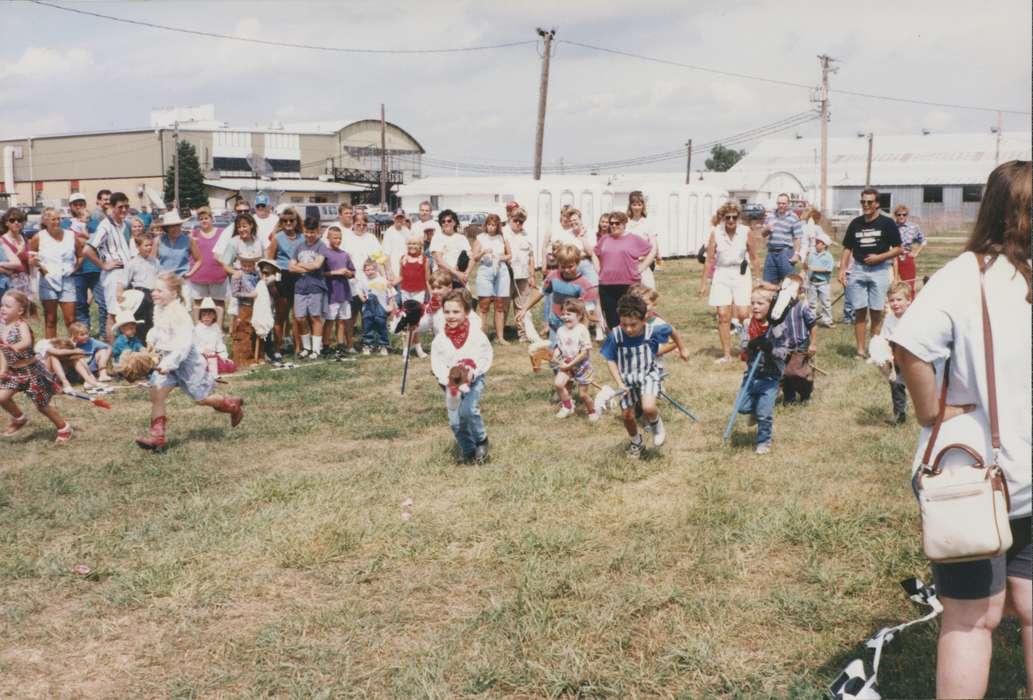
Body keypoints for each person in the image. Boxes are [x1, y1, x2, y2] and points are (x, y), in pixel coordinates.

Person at [893, 160, 1031, 699]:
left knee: (971, 619)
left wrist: (931, 413)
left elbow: (908, 345)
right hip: (1017, 474)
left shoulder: (965, 274)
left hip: (976, 477)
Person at [135, 273, 244, 451]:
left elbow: (183, 347)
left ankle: (232, 405)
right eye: (153, 289)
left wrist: (167, 364)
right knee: (157, 394)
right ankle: (157, 438)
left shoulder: (180, 315)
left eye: (159, 290)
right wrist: (151, 340)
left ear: (174, 294)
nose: (153, 293)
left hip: (188, 363)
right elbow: (159, 329)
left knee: (202, 399)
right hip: (167, 360)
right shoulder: (160, 308)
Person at [600, 294, 671, 459]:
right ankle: (636, 442)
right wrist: (619, 382)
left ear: (644, 319)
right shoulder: (615, 335)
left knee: (648, 407)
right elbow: (610, 360)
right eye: (624, 324)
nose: (629, 329)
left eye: (633, 325)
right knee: (627, 415)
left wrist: (682, 348)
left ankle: (656, 426)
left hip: (648, 374)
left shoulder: (653, 330)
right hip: (627, 380)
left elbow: (671, 330)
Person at [430, 289, 493, 464]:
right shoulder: (440, 340)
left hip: (473, 381)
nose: (451, 316)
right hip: (451, 384)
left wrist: (474, 371)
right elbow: (437, 364)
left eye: (456, 312)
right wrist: (447, 379)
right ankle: (469, 451)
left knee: (468, 410)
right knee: (455, 422)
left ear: (466, 312)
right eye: (447, 312)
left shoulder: (476, 335)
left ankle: (481, 439)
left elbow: (485, 356)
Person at [0, 290, 72, 443]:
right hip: (15, 373)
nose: (3, 308)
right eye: (2, 305)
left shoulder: (21, 324)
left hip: (31, 372)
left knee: (42, 406)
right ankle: (19, 418)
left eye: (7, 306)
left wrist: (15, 347)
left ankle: (64, 427)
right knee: (1, 398)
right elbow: (3, 351)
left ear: (20, 310)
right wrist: (3, 369)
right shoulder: (3, 327)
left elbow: (26, 342)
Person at [839, 187, 902, 359]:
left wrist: (879, 257)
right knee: (859, 311)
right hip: (858, 269)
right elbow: (847, 248)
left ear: (877, 204)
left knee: (876, 312)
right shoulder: (855, 223)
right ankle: (860, 350)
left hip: (879, 270)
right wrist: (842, 269)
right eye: (863, 202)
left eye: (869, 202)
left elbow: (898, 249)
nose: (865, 205)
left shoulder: (887, 223)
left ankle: (875, 350)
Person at [698, 202, 753, 363]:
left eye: (734, 217)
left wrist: (758, 280)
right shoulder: (715, 233)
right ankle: (727, 354)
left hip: (741, 273)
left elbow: (755, 257)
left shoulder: (746, 232)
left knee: (744, 314)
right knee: (723, 315)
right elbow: (709, 260)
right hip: (721, 273)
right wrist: (703, 283)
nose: (730, 220)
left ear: (738, 218)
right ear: (722, 218)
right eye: (727, 217)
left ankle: (748, 347)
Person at [516, 244, 597, 345]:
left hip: (573, 328)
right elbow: (541, 292)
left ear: (577, 263)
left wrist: (583, 332)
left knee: (570, 357)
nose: (566, 270)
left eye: (570, 266)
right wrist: (525, 309)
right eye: (563, 266)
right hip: (555, 325)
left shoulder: (584, 285)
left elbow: (587, 313)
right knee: (554, 357)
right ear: (558, 264)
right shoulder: (553, 276)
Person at [82, 192, 136, 343]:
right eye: (120, 207)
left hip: (125, 273)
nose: (124, 210)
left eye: (126, 206)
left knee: (124, 313)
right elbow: (87, 250)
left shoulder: (124, 225)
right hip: (114, 275)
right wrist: (104, 265)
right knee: (112, 314)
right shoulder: (105, 226)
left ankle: (122, 349)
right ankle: (112, 351)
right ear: (112, 207)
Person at [736, 289, 780, 454]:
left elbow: (785, 352)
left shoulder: (777, 327)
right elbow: (742, 345)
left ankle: (764, 442)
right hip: (751, 374)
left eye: (760, 303)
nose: (755, 307)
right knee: (741, 407)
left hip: (770, 376)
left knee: (764, 414)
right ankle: (754, 411)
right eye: (753, 303)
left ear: (771, 306)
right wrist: (751, 344)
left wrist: (771, 349)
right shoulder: (748, 324)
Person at [595, 211, 654, 331]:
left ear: (624, 224)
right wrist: (598, 269)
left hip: (629, 284)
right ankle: (616, 344)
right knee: (612, 319)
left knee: (630, 316)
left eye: (617, 223)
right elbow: (594, 253)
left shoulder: (633, 239)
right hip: (606, 285)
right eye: (611, 223)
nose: (614, 226)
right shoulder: (604, 239)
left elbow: (651, 250)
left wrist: (641, 268)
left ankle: (631, 342)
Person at [30, 208, 83, 339]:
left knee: (70, 319)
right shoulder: (38, 237)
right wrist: (41, 269)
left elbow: (81, 255)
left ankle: (72, 348)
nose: (57, 221)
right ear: (45, 221)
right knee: (50, 319)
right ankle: (51, 351)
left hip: (67, 281)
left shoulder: (71, 235)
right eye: (53, 219)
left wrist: (74, 269)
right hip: (47, 281)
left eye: (59, 218)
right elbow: (31, 258)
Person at [288, 215, 330, 359]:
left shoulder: (321, 246)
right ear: (303, 230)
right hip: (300, 287)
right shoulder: (298, 246)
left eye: (313, 232)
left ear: (318, 231)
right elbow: (290, 267)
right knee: (299, 318)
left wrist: (299, 265)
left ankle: (316, 349)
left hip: (316, 286)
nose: (309, 235)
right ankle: (306, 347)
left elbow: (317, 265)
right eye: (307, 232)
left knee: (315, 317)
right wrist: (307, 267)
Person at [340, 211, 383, 349]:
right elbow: (342, 258)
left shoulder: (371, 238)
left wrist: (385, 275)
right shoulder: (346, 237)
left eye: (364, 224)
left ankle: (368, 342)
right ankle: (349, 344)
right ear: (353, 224)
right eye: (358, 224)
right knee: (351, 314)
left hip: (369, 281)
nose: (361, 227)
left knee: (368, 314)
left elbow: (379, 258)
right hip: (351, 281)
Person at [265, 207, 302, 358]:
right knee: (281, 315)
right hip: (282, 277)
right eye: (284, 220)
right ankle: (278, 348)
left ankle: (299, 348)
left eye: (291, 220)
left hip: (299, 276)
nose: (288, 223)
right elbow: (269, 261)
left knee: (298, 316)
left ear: (296, 221)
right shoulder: (277, 238)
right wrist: (272, 283)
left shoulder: (302, 237)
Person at [552, 299, 597, 421]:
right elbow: (559, 347)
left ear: (579, 315)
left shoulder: (582, 330)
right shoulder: (561, 330)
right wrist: (556, 355)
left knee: (583, 395)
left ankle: (592, 411)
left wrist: (570, 364)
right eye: (563, 314)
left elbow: (584, 352)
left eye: (569, 314)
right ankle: (568, 406)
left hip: (582, 366)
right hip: (567, 363)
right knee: (559, 384)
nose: (565, 317)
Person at [472, 214, 512, 344]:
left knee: (500, 306)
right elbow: (475, 257)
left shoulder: (502, 238)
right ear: (486, 225)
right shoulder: (480, 238)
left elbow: (509, 255)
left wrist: (501, 258)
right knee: (484, 306)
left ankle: (500, 337)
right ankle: (481, 338)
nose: (491, 227)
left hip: (501, 270)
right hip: (486, 270)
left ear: (497, 226)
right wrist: (484, 252)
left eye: (494, 225)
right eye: (489, 224)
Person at [67, 193, 104, 334]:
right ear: (71, 206)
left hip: (96, 268)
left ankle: (104, 334)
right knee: (81, 305)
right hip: (77, 270)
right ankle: (84, 335)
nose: (79, 206)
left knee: (103, 303)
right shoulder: (66, 223)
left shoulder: (95, 222)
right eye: (75, 204)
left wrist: (83, 241)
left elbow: (98, 243)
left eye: (81, 203)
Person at [877, 281, 913, 424]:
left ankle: (933, 411)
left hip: (916, 356)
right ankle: (899, 414)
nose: (895, 304)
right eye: (892, 300)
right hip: (897, 357)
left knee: (923, 386)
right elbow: (885, 339)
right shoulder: (890, 319)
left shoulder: (914, 317)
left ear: (909, 301)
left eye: (899, 300)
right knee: (896, 382)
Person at [186, 206, 228, 326]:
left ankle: (218, 329)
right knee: (197, 302)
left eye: (206, 218)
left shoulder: (221, 233)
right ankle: (197, 327)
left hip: (218, 274)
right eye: (201, 219)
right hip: (198, 274)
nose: (204, 221)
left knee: (218, 302)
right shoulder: (193, 234)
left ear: (211, 218)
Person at [321, 225, 355, 357]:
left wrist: (348, 274)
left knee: (341, 320)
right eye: (335, 238)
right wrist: (336, 272)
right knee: (329, 320)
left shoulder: (344, 254)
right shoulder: (324, 253)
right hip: (331, 293)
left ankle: (340, 344)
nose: (338, 240)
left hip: (344, 292)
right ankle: (326, 344)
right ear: (328, 238)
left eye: (340, 238)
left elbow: (353, 271)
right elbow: (322, 273)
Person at [504, 207, 536, 341]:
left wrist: (532, 275)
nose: (518, 223)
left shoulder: (526, 235)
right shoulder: (503, 233)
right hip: (507, 274)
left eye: (521, 222)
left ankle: (523, 333)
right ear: (510, 219)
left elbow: (531, 256)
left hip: (523, 275)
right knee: (504, 305)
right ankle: (502, 333)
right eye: (515, 220)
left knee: (522, 305)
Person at [120, 233, 159, 339]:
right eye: (146, 245)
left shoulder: (155, 261)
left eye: (151, 245)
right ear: (138, 247)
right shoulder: (132, 263)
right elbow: (123, 281)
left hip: (153, 294)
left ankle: (151, 344)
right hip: (139, 295)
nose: (149, 248)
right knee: (140, 321)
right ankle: (139, 344)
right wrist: (119, 294)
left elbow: (159, 277)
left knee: (153, 319)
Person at [397, 234, 430, 359]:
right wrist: (389, 283)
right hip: (405, 292)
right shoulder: (403, 259)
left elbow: (427, 280)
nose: (412, 246)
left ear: (420, 246)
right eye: (410, 243)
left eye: (415, 244)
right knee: (410, 322)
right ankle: (418, 349)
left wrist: (432, 296)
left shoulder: (425, 260)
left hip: (419, 293)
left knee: (414, 322)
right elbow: (400, 277)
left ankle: (406, 350)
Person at [760, 193, 804, 285]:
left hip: (785, 253)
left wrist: (796, 254)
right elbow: (763, 234)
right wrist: (767, 228)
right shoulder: (770, 216)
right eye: (779, 203)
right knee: (768, 284)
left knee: (788, 284)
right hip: (771, 253)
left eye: (783, 203)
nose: (781, 205)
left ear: (788, 204)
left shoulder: (793, 217)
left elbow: (798, 238)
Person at [429, 209, 471, 289]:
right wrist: (457, 273)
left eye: (449, 221)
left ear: (454, 222)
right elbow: (439, 261)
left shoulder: (462, 238)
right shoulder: (437, 238)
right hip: (442, 278)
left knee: (462, 300)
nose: (446, 223)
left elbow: (471, 257)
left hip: (459, 279)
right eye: (443, 221)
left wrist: (466, 273)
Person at [358, 258, 392, 355]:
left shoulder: (383, 281)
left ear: (376, 270)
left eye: (372, 269)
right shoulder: (363, 281)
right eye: (367, 270)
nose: (370, 272)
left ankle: (383, 345)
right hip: (368, 307)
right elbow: (359, 291)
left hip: (381, 307)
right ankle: (368, 344)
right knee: (367, 326)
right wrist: (362, 298)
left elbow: (390, 293)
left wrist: (390, 305)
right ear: (364, 271)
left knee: (381, 325)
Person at [625, 191, 658, 289]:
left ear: (643, 206)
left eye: (639, 204)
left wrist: (641, 268)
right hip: (627, 267)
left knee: (648, 295)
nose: (637, 208)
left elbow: (654, 248)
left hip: (643, 265)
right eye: (634, 204)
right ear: (630, 206)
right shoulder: (625, 223)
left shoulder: (648, 223)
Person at [893, 204, 926, 293]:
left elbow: (923, 241)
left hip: (906, 258)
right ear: (895, 215)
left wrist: (916, 252)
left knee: (908, 287)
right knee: (893, 287)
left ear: (907, 215)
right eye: (899, 214)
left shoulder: (913, 227)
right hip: (892, 258)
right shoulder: (891, 227)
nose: (901, 216)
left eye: (904, 214)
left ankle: (910, 305)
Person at [805, 232, 835, 327]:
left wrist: (813, 268)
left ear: (824, 245)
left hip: (823, 284)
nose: (816, 244)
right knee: (811, 303)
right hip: (812, 283)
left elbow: (827, 269)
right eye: (816, 242)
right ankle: (811, 320)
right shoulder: (812, 254)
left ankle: (827, 320)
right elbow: (807, 266)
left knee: (826, 303)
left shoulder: (828, 256)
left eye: (818, 242)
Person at [194, 298, 229, 377]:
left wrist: (223, 355)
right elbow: (194, 345)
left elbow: (220, 344)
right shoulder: (197, 329)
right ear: (201, 316)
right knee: (203, 365)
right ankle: (209, 373)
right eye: (204, 315)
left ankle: (214, 373)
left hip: (213, 355)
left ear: (214, 315)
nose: (206, 317)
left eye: (209, 315)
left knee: (221, 362)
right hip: (201, 355)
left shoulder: (216, 328)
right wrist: (202, 351)